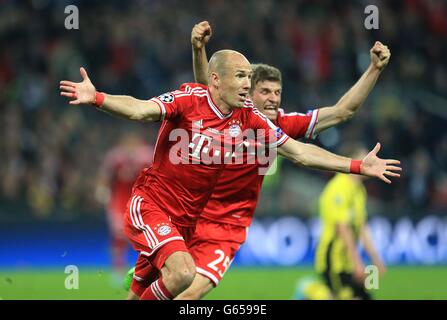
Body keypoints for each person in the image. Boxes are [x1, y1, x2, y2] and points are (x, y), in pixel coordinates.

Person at [124, 21, 397, 300]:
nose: (273, 99)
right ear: (245, 90)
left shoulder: (280, 126)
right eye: (265, 92)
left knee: (187, 295)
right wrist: (198, 50)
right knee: (159, 287)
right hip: (188, 213)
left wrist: (374, 69)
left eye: (278, 93)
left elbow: (342, 112)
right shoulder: (227, 113)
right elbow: (206, 89)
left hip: (227, 226)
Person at [315, 143, 387, 300]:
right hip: (333, 260)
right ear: (353, 161)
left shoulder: (359, 190)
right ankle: (310, 292)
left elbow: (361, 228)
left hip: (347, 260)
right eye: (365, 158)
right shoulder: (338, 188)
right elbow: (342, 228)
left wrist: (376, 259)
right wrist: (358, 263)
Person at [95, 132, 153, 281]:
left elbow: (157, 175)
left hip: (140, 202)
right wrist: (102, 189)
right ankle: (118, 270)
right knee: (119, 235)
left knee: (145, 236)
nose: (131, 145)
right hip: (118, 203)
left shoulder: (147, 155)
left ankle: (148, 270)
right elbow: (105, 175)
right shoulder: (115, 156)